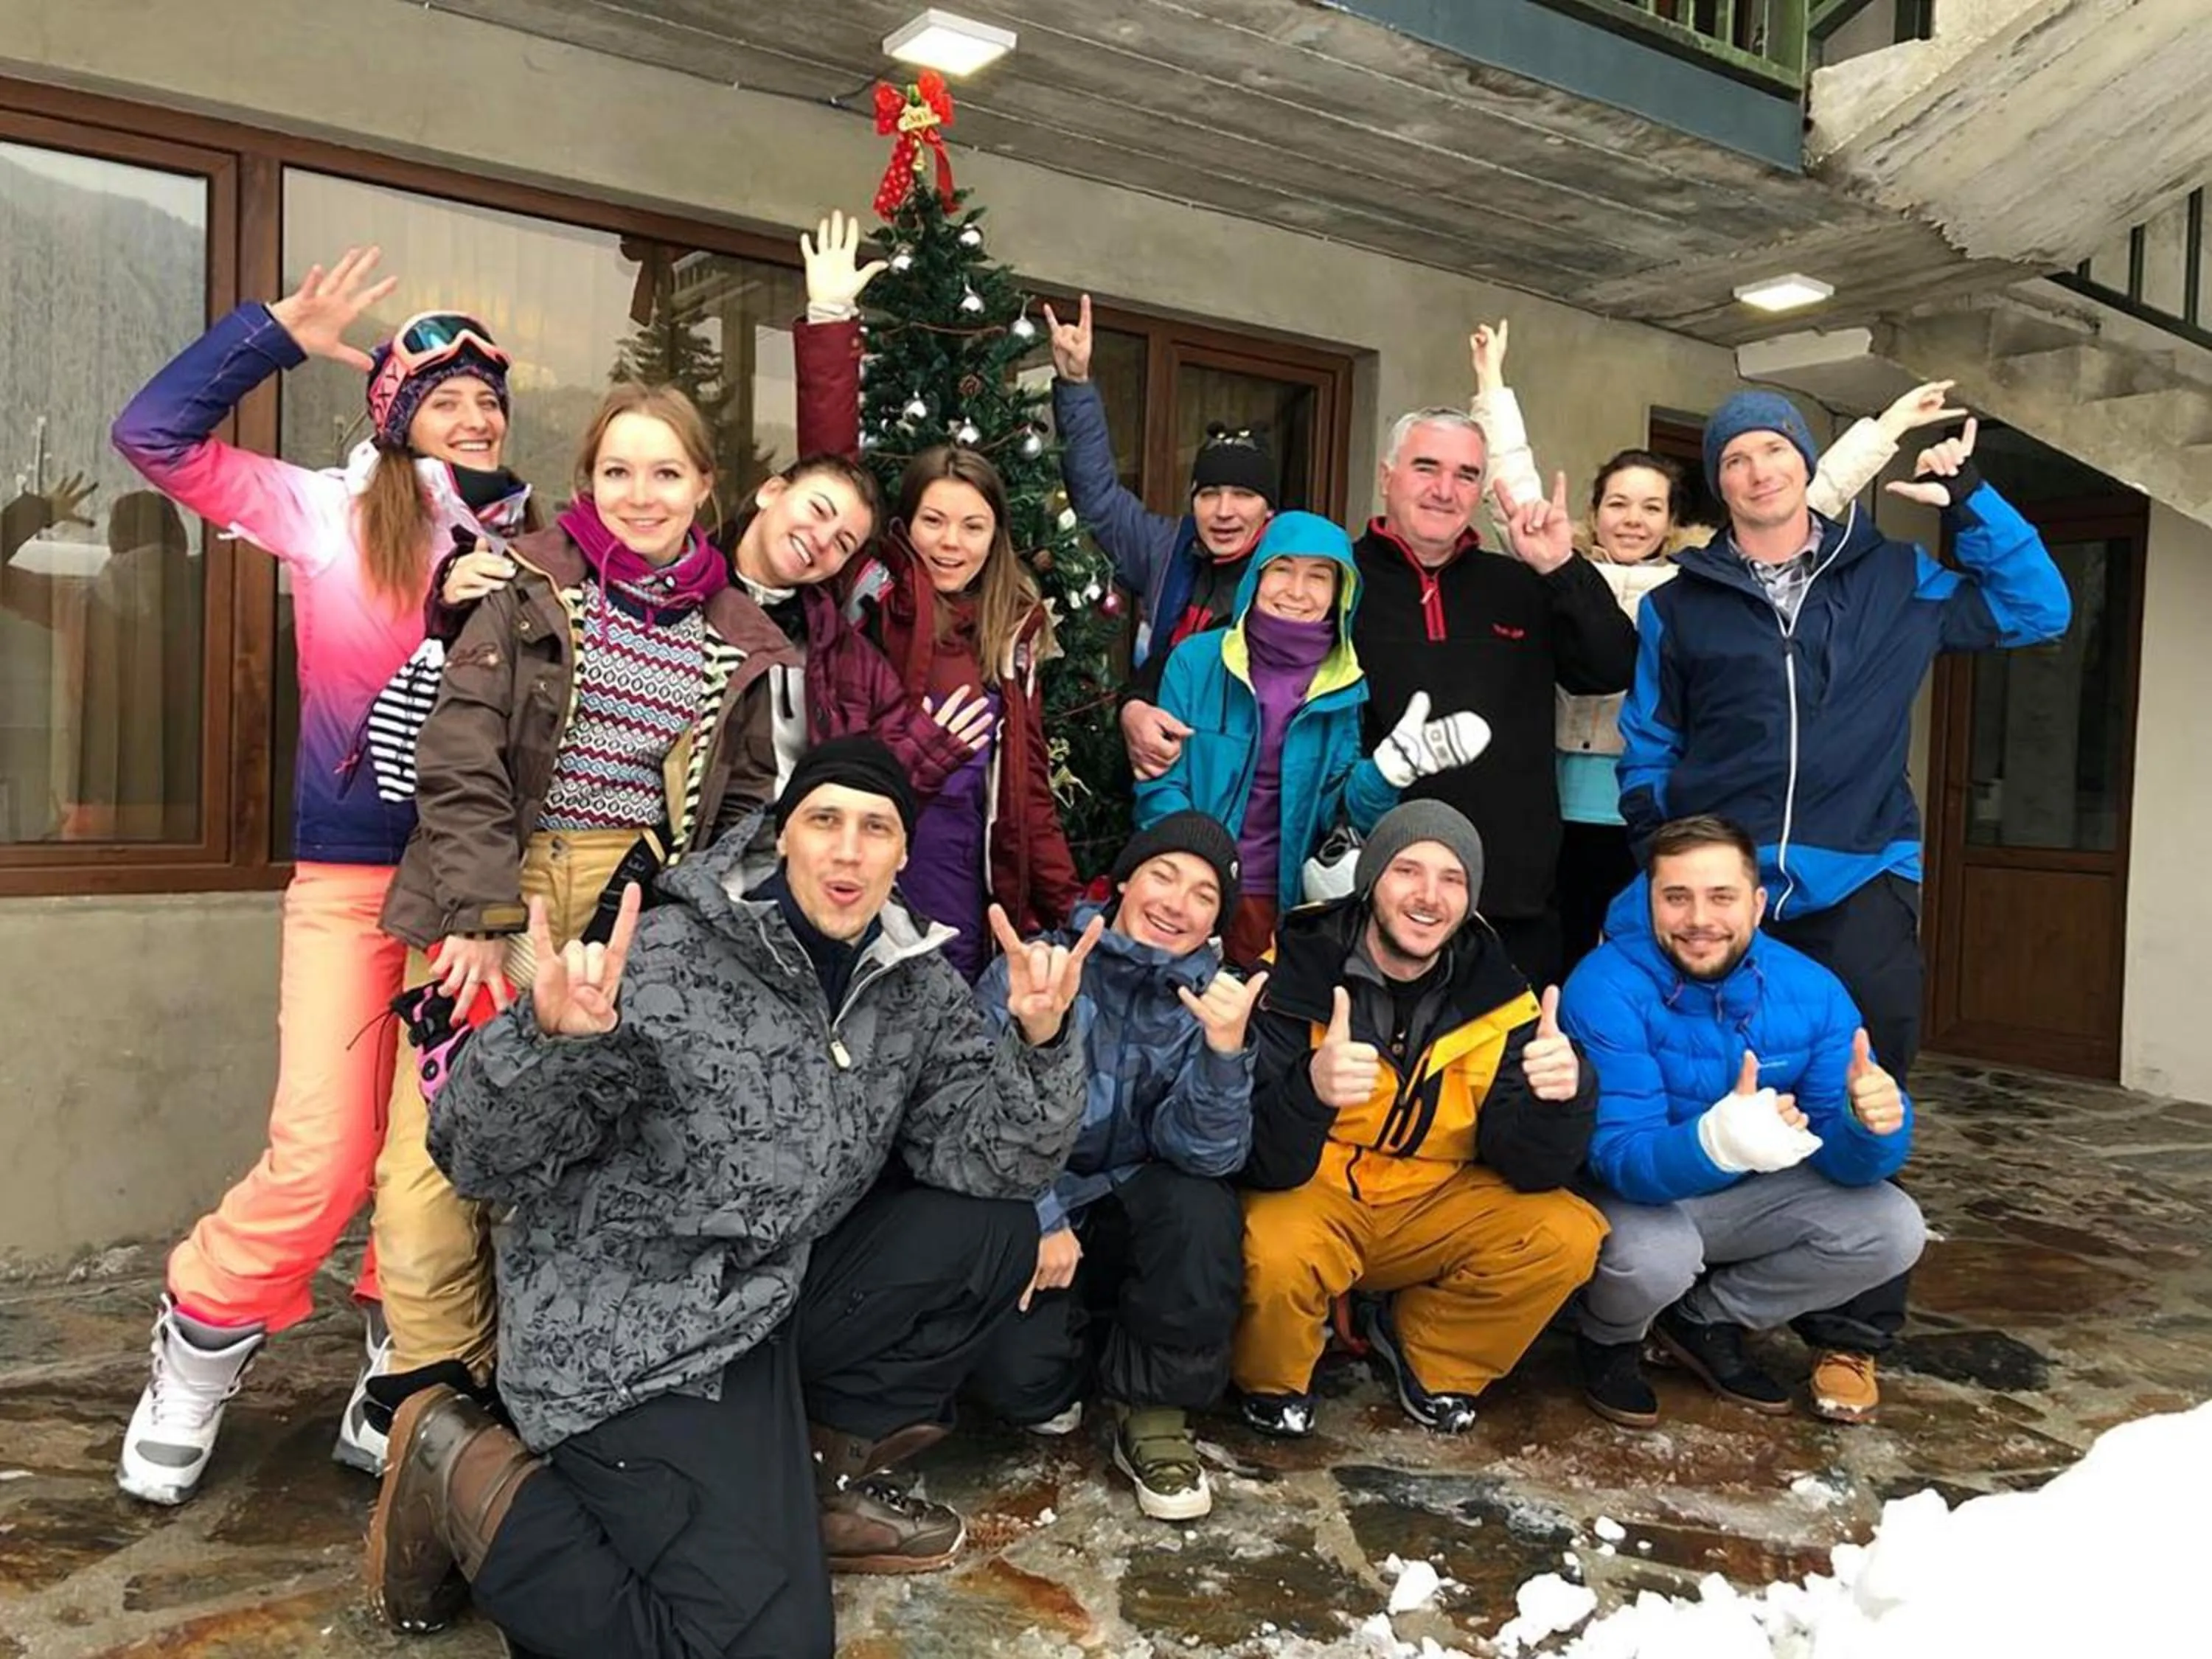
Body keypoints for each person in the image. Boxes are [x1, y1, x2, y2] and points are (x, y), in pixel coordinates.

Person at [364, 737, 1096, 1657]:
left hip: (766, 1304)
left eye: (876, 829)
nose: (847, 851)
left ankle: (806, 1487)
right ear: (781, 837)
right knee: (766, 1645)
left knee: (989, 1232)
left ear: (903, 855)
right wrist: (551, 1048)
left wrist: (1040, 1040)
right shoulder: (664, 957)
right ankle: (466, 1472)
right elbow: (478, 1159)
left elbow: (997, 1165)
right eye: (823, 820)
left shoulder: (913, 986)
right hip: (631, 1333)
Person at [105, 247, 532, 1506]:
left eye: (490, 402)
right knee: (319, 1155)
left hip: (472, 899)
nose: (476, 416)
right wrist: (270, 336)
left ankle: (398, 1353)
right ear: (395, 416)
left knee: (444, 1149)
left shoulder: (530, 542)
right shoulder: (327, 512)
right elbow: (151, 436)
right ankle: (198, 1342)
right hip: (354, 883)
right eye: (447, 397)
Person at [1616, 393, 2070, 1416]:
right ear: (1719, 482)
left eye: (1774, 450)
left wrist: (1973, 497)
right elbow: (1648, 740)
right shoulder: (1679, 604)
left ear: (1806, 464)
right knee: (1699, 1085)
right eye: (1735, 458)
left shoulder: (1895, 577)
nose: (1756, 470)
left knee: (1863, 1090)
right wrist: (1659, 846)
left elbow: (2041, 608)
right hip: (1721, 892)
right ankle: (1683, 1296)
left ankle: (1851, 1335)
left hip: (1855, 875)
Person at [370, 380, 798, 1427]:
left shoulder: (747, 641)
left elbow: (744, 808)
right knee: (430, 1166)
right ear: (587, 481)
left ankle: (547, 1411)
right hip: (500, 880)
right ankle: (439, 1422)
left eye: (664, 472)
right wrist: (480, 915)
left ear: (705, 487)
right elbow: (460, 753)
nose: (639, 495)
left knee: (577, 1163)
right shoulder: (521, 586)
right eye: (618, 471)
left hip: (634, 914)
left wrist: (677, 932)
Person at [1547, 382, 1964, 970]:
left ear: (1671, 521)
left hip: (1741, 845)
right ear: (1592, 514)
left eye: (1650, 507)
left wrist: (1888, 426)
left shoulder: (1689, 582)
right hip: (1615, 819)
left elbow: (1800, 491)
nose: (1633, 520)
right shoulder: (1587, 578)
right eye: (1617, 504)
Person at [1234, 800, 1604, 1437]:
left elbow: (1529, 1167)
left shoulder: (1505, 1000)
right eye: (1408, 871)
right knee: (1271, 1246)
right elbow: (1257, 1162)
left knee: (1567, 1235)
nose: (1429, 896)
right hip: (1315, 1192)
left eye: (1453, 879)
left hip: (1433, 1199)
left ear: (1470, 900)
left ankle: (1432, 1353)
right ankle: (1273, 1379)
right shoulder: (1289, 975)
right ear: (1372, 879)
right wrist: (1309, 1089)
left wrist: (1563, 1099)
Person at [1559, 815, 1923, 1426]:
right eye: (1677, 897)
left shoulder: (1812, 988)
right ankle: (1609, 1337)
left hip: (1738, 1201)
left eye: (1721, 897)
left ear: (1757, 904)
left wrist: (1872, 1127)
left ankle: (1705, 1318)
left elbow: (1844, 1158)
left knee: (1892, 1226)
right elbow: (1620, 1157)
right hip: (1635, 1200)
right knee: (1656, 1257)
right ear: (1650, 901)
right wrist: (1718, 1141)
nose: (1699, 919)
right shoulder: (1604, 986)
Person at [969, 811, 1262, 1521]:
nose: (1176, 904)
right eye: (1163, 876)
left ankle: (1157, 1415)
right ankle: (1071, 1364)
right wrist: (1038, 1212)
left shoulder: (1214, 997)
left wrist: (1224, 1054)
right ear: (1125, 880)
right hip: (1038, 1204)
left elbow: (1206, 1154)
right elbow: (972, 1112)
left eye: (1202, 894)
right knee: (1024, 1390)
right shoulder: (1039, 966)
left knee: (1201, 1206)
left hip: (1138, 1206)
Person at [1352, 401, 1637, 992]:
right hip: (1375, 897)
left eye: (1466, 475)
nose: (1445, 490)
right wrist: (1144, 701)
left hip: (1513, 903)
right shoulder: (1339, 580)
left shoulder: (1519, 583)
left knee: (1508, 1079)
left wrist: (1561, 566)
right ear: (1387, 476)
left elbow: (1611, 666)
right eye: (1426, 467)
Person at [1134, 510, 1489, 968]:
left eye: (1318, 577)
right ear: (1257, 577)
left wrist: (1387, 772)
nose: (1298, 592)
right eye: (1282, 570)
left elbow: (1340, 815)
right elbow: (1159, 782)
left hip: (1283, 906)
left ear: (1341, 594)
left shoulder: (1342, 686)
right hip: (1188, 891)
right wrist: (1195, 881)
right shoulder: (1197, 661)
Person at [844, 445, 1081, 980]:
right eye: (934, 521)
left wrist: (1069, 906)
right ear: (905, 527)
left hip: (967, 886)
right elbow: (832, 752)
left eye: (973, 526)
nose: (951, 543)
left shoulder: (1012, 632)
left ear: (995, 537)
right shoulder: (870, 611)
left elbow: (1030, 791)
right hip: (874, 878)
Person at [1043, 292, 1280, 780]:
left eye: (1243, 495)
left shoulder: (1291, 573)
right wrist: (1075, 385)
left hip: (1246, 781)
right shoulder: (1167, 548)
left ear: (1270, 509)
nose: (1225, 511)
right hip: (1156, 772)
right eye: (1210, 493)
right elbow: (1098, 499)